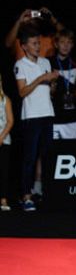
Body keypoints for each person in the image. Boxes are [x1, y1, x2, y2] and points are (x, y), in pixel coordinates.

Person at [14, 26, 58, 211]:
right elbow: (22, 91)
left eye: (39, 42)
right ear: (24, 46)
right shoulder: (20, 65)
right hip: (31, 116)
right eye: (33, 43)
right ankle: (26, 196)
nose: (38, 46)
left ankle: (45, 193)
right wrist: (41, 79)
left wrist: (53, 81)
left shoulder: (45, 62)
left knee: (46, 156)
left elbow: (50, 91)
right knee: (30, 157)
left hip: (47, 113)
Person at [49, 29, 76, 139]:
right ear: (56, 44)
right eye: (62, 42)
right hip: (54, 117)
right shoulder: (47, 63)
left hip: (73, 119)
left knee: (73, 152)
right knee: (52, 154)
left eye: (69, 42)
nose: (65, 46)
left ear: (72, 45)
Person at [0, 75, 14, 211]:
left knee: (3, 171)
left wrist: (1, 137)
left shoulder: (5, 100)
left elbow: (10, 121)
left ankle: (3, 200)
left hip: (4, 141)